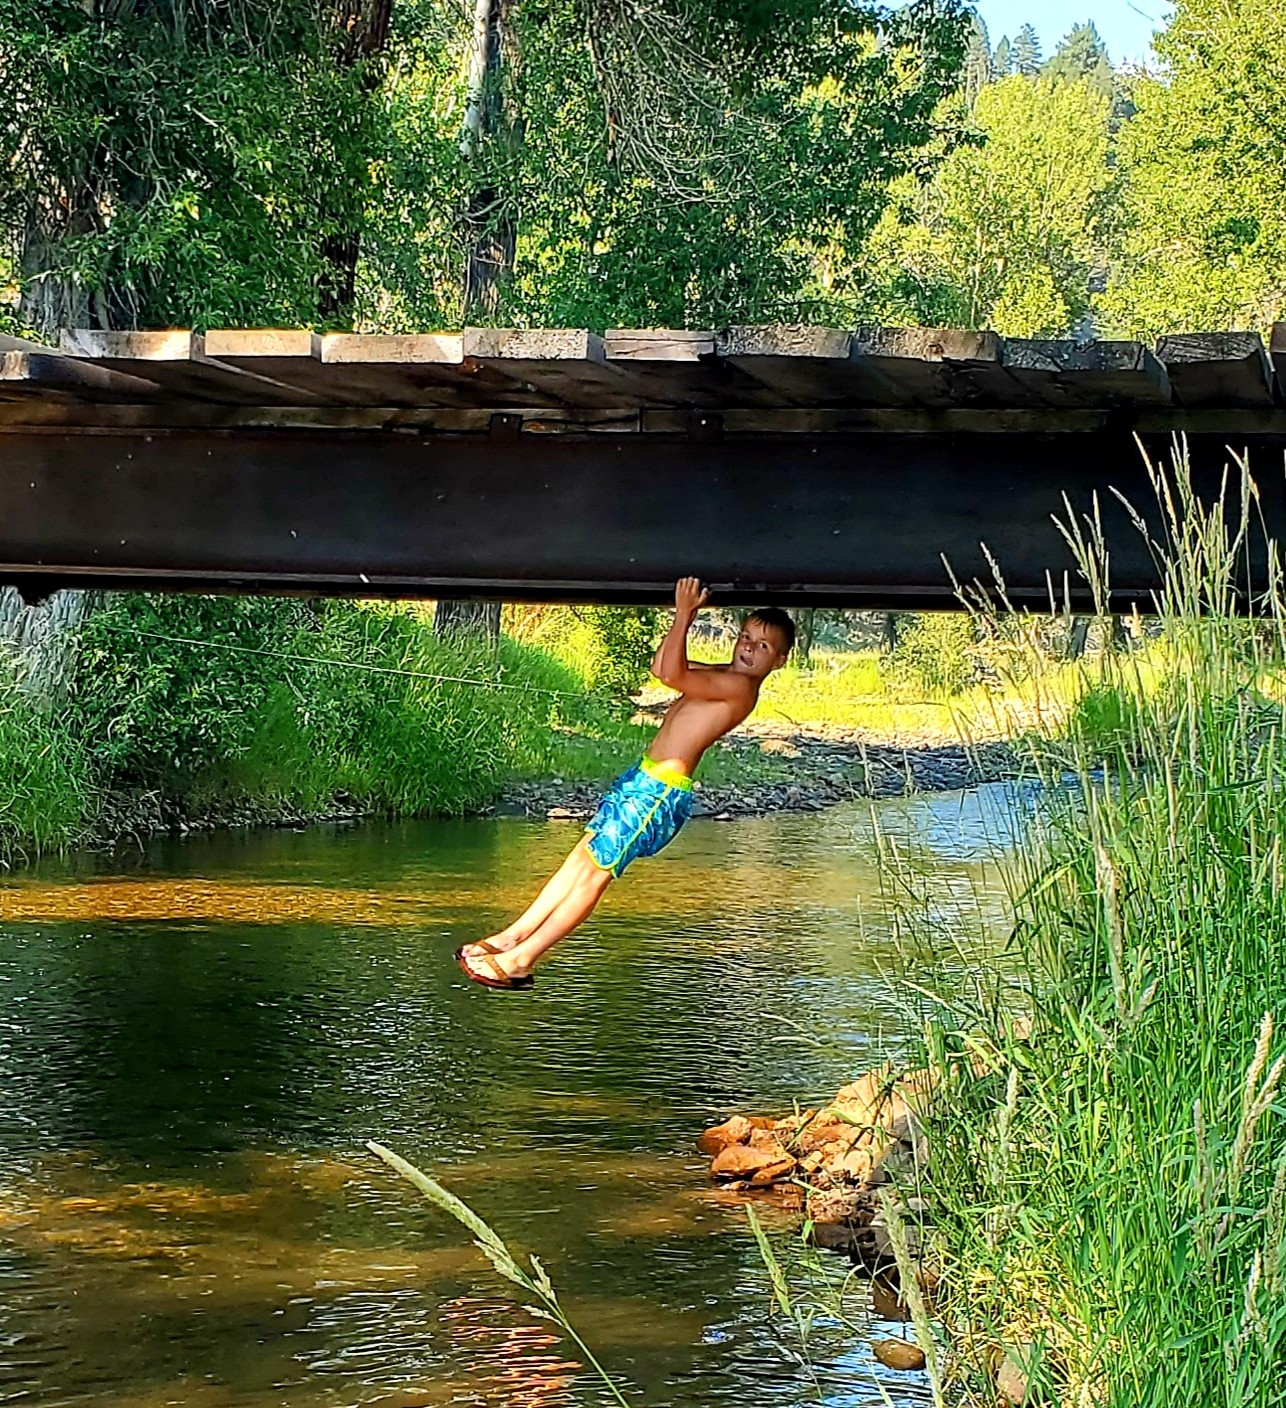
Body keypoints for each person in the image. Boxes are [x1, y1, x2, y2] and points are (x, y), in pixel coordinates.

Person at [455, 578, 795, 990]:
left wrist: (685, 612)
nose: (748, 647)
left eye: (762, 646)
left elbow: (670, 673)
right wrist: (682, 622)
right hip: (642, 780)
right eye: (745, 636)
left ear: (779, 660)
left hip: (659, 793)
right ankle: (511, 937)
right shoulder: (723, 675)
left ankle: (523, 959)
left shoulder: (739, 687)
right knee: (580, 859)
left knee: (595, 874)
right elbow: (663, 668)